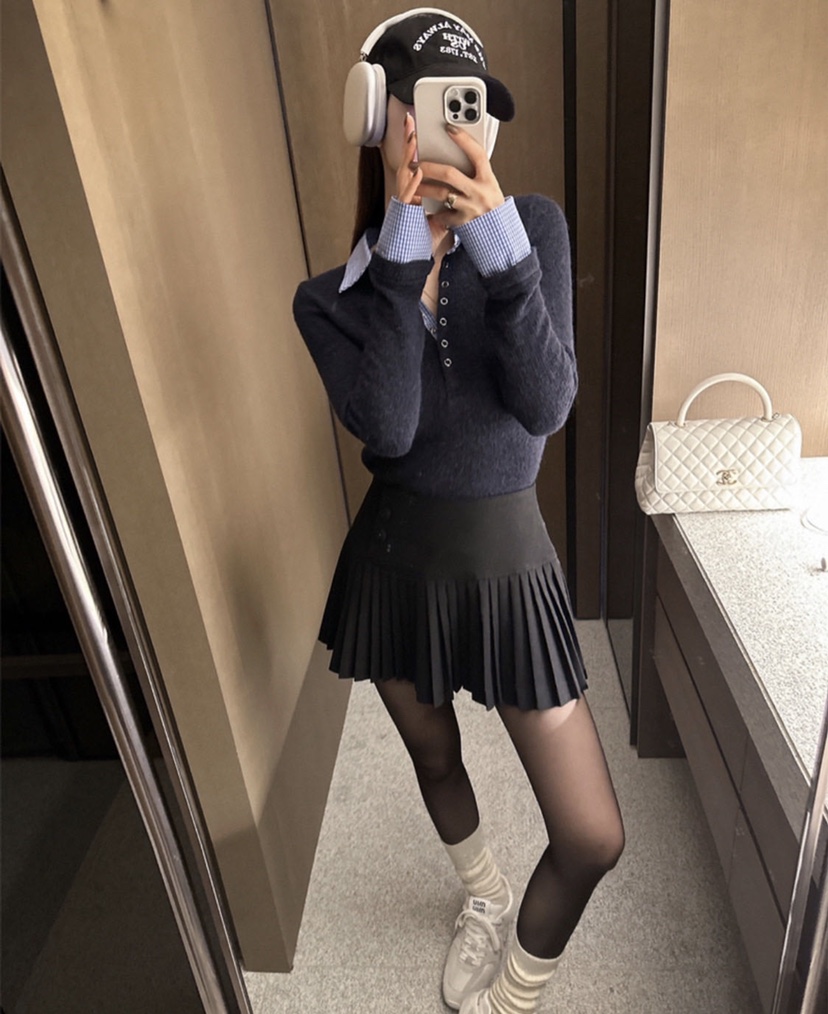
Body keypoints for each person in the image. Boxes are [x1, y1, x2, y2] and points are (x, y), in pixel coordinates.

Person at [292, 9, 625, 1013]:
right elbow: (390, 430)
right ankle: (482, 894)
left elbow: (547, 406)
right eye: (433, 110)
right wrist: (402, 263)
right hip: (395, 566)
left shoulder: (534, 232)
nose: (456, 134)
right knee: (434, 755)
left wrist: (502, 255)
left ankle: (513, 996)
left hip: (511, 565)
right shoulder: (331, 298)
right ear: (379, 122)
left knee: (591, 834)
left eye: (471, 111)